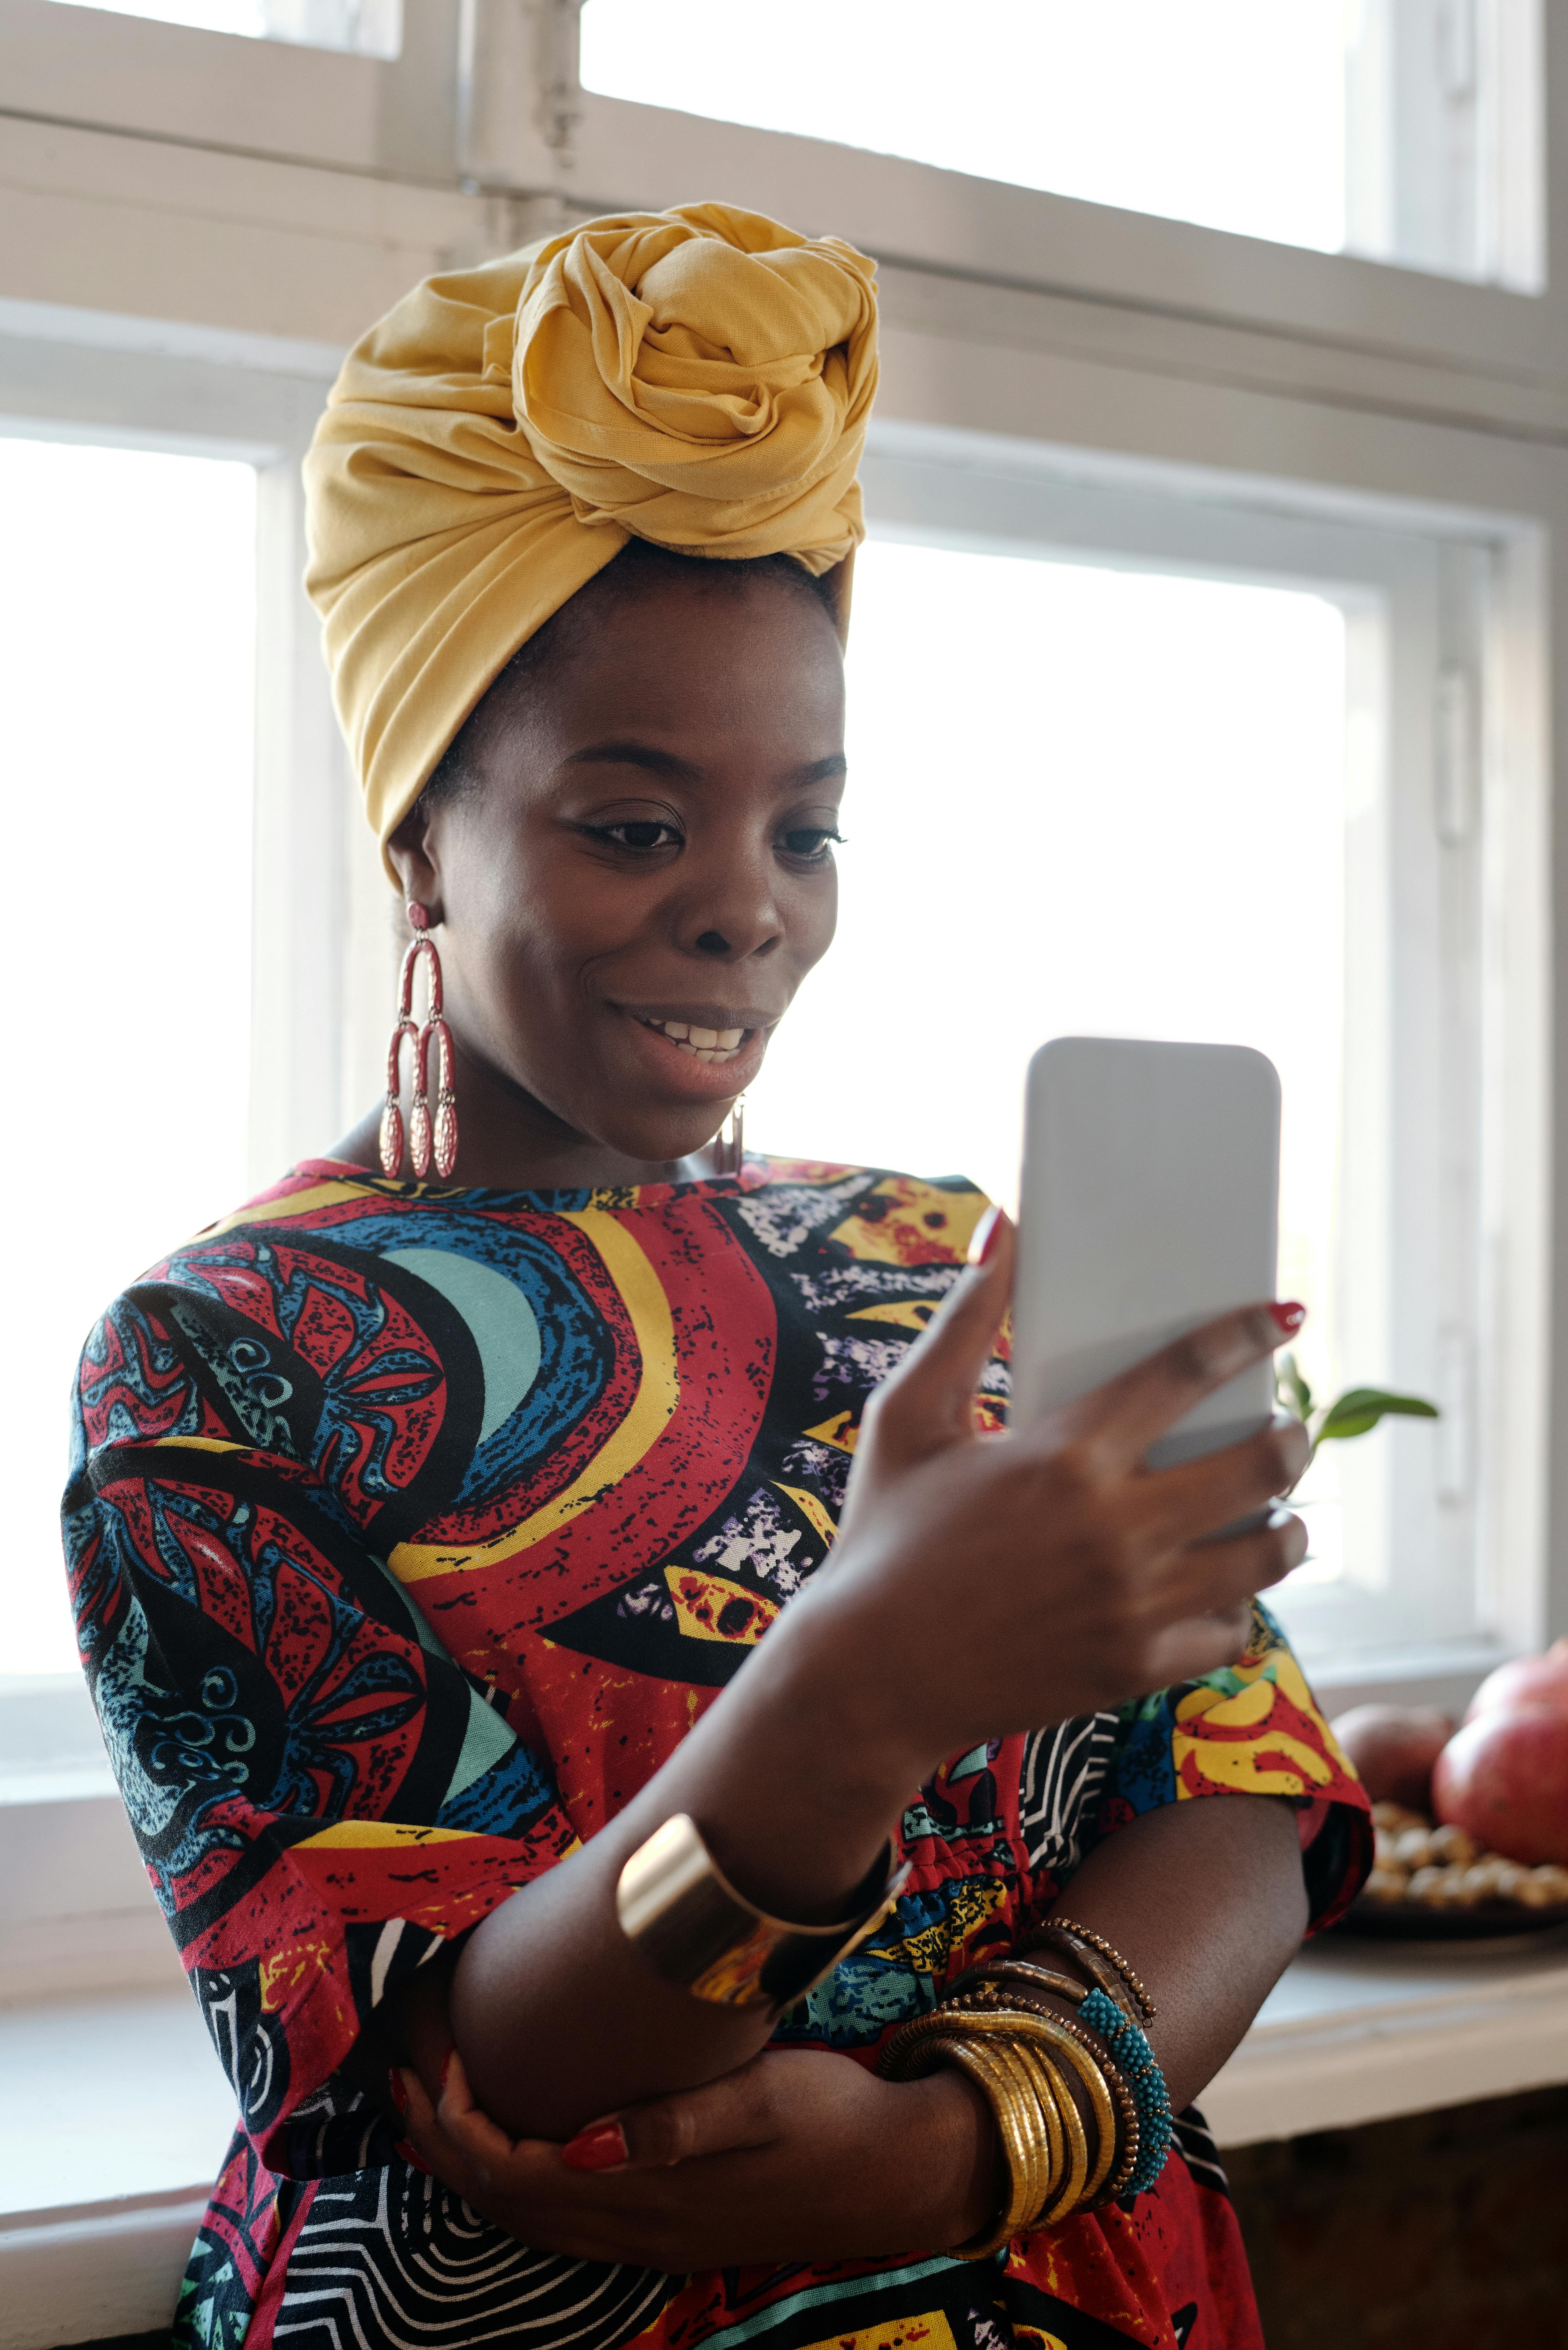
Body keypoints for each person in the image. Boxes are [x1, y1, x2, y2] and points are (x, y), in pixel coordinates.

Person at [63, 205, 1369, 2350]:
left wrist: (978, 2134)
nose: (748, 913)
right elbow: (486, 2077)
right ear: (421, 839)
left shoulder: (947, 1266)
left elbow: (1238, 1777)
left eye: (807, 830)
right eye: (637, 825)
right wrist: (859, 1688)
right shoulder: (227, 1365)